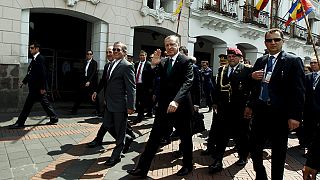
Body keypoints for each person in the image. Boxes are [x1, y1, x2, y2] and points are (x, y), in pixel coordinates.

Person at [127, 35, 194, 178]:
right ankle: (141, 168)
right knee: (154, 138)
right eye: (167, 45)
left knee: (185, 137)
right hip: (164, 107)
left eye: (172, 44)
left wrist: (176, 101)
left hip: (181, 107)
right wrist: (153, 65)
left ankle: (188, 165)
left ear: (178, 45)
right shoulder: (162, 61)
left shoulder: (186, 61)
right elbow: (154, 79)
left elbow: (187, 83)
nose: (169, 47)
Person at [245, 28, 305, 180]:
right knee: (254, 147)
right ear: (265, 42)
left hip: (280, 114)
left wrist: (295, 116)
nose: (273, 43)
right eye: (269, 40)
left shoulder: (293, 61)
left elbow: (299, 91)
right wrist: (251, 78)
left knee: (278, 152)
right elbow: (254, 88)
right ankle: (261, 174)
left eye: (276, 40)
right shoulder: (261, 60)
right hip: (260, 112)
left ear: (282, 41)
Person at [208, 48, 252, 173]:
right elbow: (217, 88)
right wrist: (215, 102)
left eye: (234, 56)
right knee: (222, 135)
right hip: (224, 108)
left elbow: (253, 90)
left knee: (241, 135)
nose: (231, 58)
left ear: (240, 57)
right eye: (230, 56)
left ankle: (243, 156)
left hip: (241, 109)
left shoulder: (247, 69)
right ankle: (218, 160)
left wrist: (250, 106)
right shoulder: (222, 69)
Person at [94, 41, 136, 167]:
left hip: (120, 104)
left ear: (124, 52)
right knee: (107, 124)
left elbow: (131, 87)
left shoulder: (127, 66)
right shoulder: (110, 65)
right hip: (109, 103)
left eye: (119, 50)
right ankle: (126, 139)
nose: (116, 52)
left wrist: (131, 106)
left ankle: (116, 156)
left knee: (120, 129)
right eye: (115, 49)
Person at [10, 41, 58, 128]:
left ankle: (20, 123)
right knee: (45, 103)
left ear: (37, 49)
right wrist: (24, 82)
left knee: (27, 106)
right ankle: (54, 117)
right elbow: (30, 73)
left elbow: (43, 74)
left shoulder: (40, 59)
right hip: (35, 88)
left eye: (32, 48)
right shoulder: (34, 59)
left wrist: (43, 88)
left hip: (38, 88)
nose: (30, 49)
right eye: (30, 48)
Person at [298, 57, 320, 150]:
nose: (312, 64)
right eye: (311, 63)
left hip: (319, 108)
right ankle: (307, 145)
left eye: (315, 62)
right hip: (308, 108)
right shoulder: (307, 77)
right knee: (307, 128)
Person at [71, 50, 99, 115]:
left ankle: (98, 110)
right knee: (79, 95)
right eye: (87, 54)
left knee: (94, 96)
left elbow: (93, 72)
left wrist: (89, 81)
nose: (89, 55)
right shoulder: (85, 62)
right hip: (84, 81)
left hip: (91, 82)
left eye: (90, 54)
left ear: (92, 55)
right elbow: (83, 72)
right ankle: (74, 110)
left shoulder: (94, 63)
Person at [132, 50, 154, 124]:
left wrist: (151, 87)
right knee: (137, 101)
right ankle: (140, 114)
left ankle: (140, 117)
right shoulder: (136, 64)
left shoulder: (148, 64)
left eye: (143, 55)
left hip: (145, 86)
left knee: (142, 102)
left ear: (146, 56)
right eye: (140, 55)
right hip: (137, 85)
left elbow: (151, 77)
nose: (142, 57)